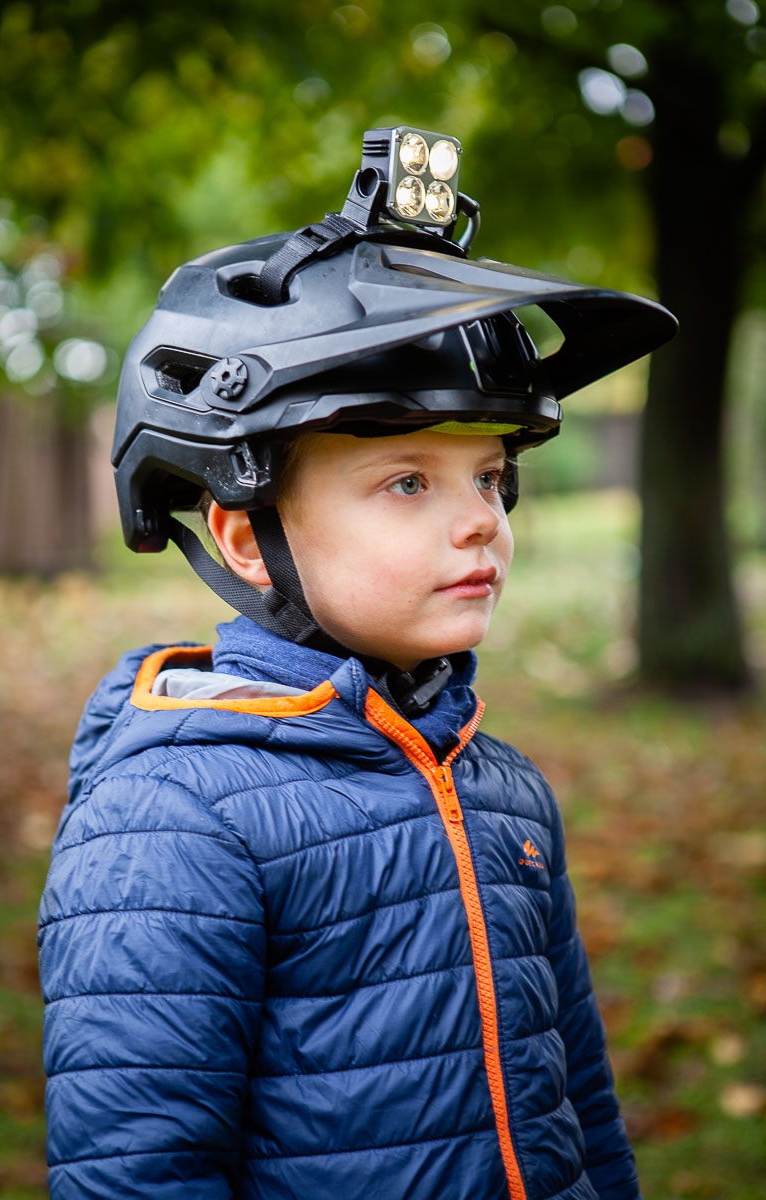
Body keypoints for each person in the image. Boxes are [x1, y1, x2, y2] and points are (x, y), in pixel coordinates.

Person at [38, 125, 676, 1200]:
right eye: (406, 484)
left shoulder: (502, 787)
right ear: (246, 537)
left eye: (489, 478)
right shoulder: (171, 821)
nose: (480, 523)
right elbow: (138, 1173)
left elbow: (581, 1114)